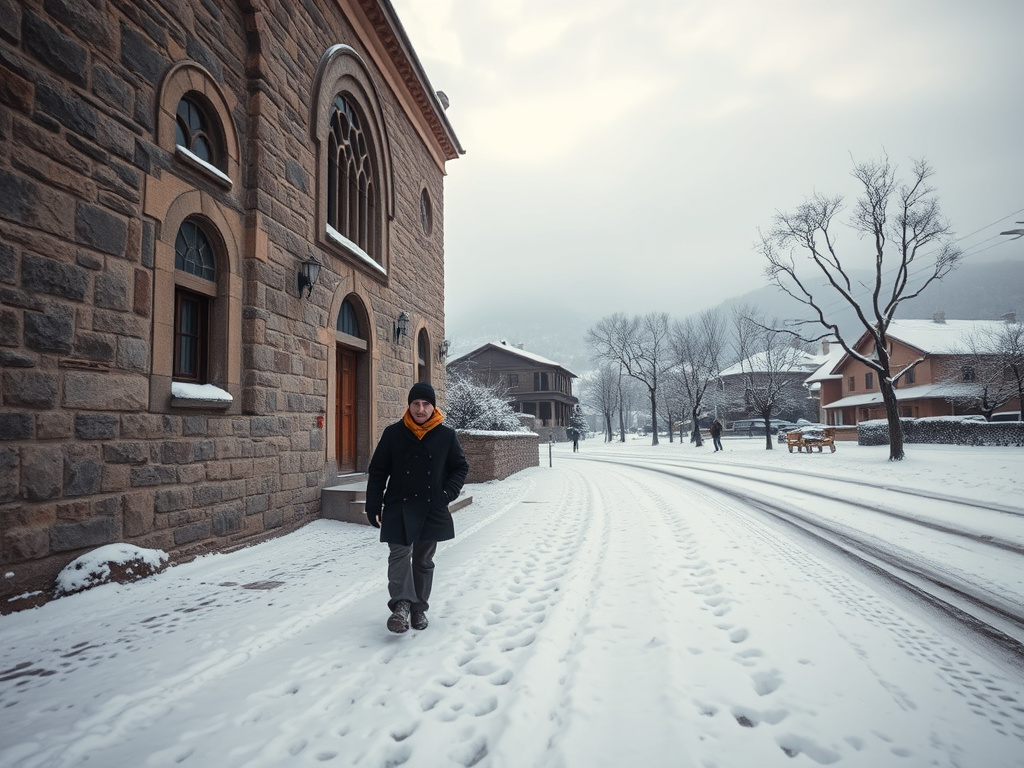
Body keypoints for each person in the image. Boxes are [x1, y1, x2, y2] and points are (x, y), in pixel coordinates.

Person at [365, 382, 469, 634]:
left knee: (423, 560)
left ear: (433, 407)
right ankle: (401, 606)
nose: (420, 409)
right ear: (409, 405)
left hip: (432, 505)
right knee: (399, 554)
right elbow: (378, 470)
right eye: (416, 404)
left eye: (425, 404)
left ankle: (419, 608)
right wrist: (373, 502)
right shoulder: (393, 433)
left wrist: (446, 494)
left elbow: (460, 467)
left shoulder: (446, 435)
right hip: (398, 504)